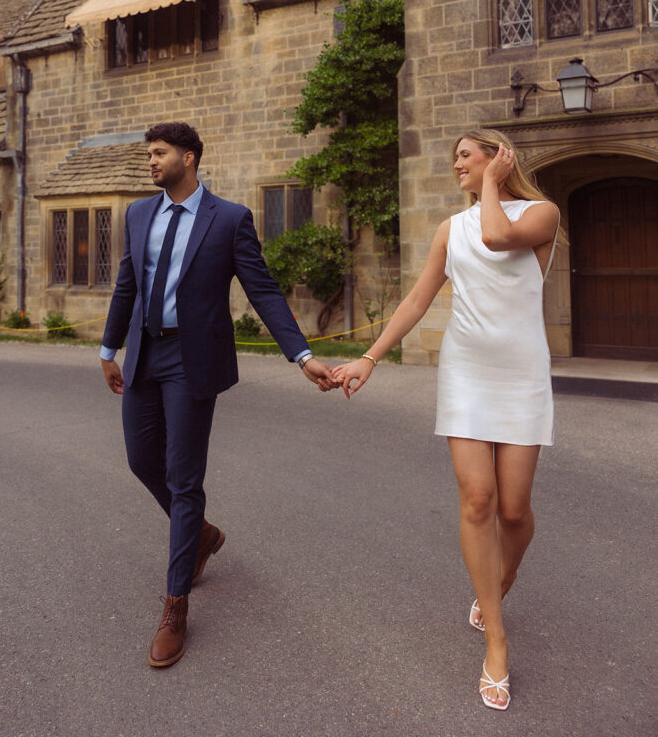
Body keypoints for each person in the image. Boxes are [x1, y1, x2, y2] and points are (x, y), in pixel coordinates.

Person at [333, 128, 559, 712]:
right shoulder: (447, 230)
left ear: (499, 155)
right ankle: (498, 640)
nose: (456, 163)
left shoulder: (542, 213)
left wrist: (490, 184)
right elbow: (416, 300)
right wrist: (369, 357)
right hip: (467, 372)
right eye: (454, 156)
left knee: (514, 509)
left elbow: (496, 234)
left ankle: (499, 585)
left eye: (467, 154)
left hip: (522, 374)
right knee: (477, 500)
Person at [100, 121, 338, 668]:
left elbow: (262, 290)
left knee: (185, 478)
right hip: (143, 354)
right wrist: (109, 349)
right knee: (141, 460)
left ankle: (175, 604)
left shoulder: (229, 219)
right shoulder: (139, 213)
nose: (151, 162)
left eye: (159, 154)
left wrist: (302, 356)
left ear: (188, 157)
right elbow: (127, 285)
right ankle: (201, 534)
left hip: (192, 360)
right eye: (149, 155)